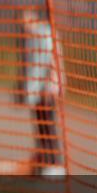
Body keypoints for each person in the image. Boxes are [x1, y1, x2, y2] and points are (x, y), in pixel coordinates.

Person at [19, 9, 64, 176]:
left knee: (48, 126)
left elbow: (52, 62)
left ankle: (54, 163)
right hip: (37, 90)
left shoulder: (45, 35)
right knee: (40, 126)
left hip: (47, 90)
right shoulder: (32, 37)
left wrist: (49, 85)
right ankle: (45, 160)